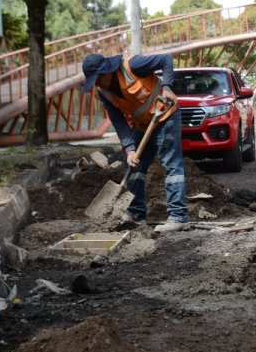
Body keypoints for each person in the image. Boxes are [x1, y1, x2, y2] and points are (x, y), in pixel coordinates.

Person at [81, 52, 189, 229]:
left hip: (166, 117)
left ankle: (178, 217)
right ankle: (137, 216)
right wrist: (130, 149)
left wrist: (167, 88)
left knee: (171, 165)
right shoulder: (104, 93)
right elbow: (118, 122)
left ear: (106, 73)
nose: (97, 85)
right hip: (142, 125)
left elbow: (166, 59)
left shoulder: (133, 65)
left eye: (97, 80)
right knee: (133, 166)